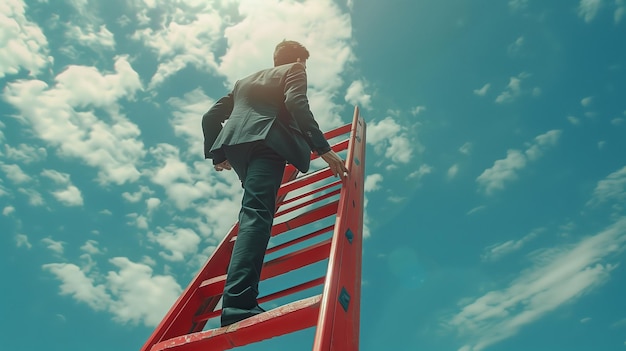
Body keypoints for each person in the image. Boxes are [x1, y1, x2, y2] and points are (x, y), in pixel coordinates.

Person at [202, 40, 347, 327]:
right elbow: (296, 103)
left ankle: (237, 301)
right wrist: (324, 148)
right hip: (268, 142)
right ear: (298, 59)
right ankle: (239, 305)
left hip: (237, 146)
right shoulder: (295, 69)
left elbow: (210, 117)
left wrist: (217, 153)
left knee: (252, 213)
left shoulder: (243, 82)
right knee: (257, 217)